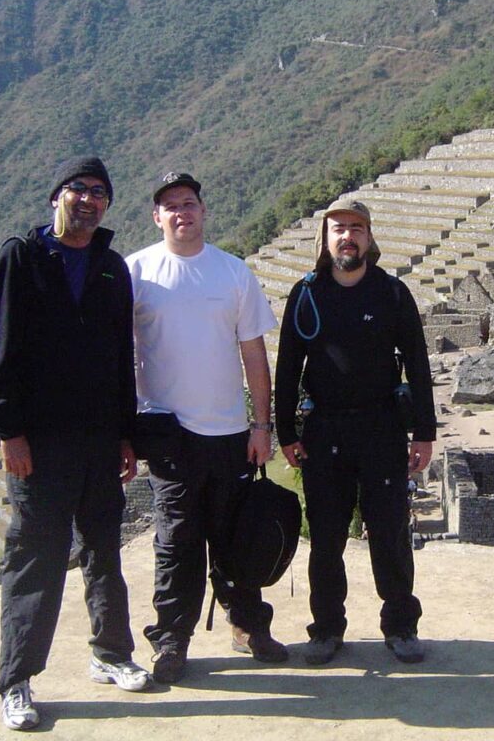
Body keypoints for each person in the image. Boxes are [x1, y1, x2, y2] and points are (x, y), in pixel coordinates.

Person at [0, 157, 149, 731]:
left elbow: (121, 360)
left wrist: (127, 432)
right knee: (36, 558)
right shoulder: (20, 259)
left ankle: (112, 653)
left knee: (104, 550)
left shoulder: (110, 268)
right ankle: (17, 680)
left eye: (100, 193)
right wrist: (9, 431)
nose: (89, 199)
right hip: (39, 443)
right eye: (79, 189)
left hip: (100, 438)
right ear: (56, 196)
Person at [126, 172, 285, 684]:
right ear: (157, 216)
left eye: (189, 203)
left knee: (236, 538)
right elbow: (118, 356)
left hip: (230, 433)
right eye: (170, 205)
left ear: (203, 210)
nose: (181, 212)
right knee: (175, 542)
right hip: (167, 434)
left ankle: (247, 626)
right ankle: (172, 640)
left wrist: (262, 425)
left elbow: (254, 355)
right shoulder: (136, 272)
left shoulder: (233, 272)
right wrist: (123, 430)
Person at [275, 198, 436, 665]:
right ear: (324, 240)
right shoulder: (306, 295)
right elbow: (287, 369)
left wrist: (423, 431)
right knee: (326, 538)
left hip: (382, 427)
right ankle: (326, 629)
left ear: (369, 237)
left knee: (389, 534)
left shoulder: (392, 294)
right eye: (339, 228)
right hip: (324, 431)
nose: (348, 236)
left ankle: (401, 625)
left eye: (357, 228)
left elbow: (418, 366)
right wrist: (287, 431)